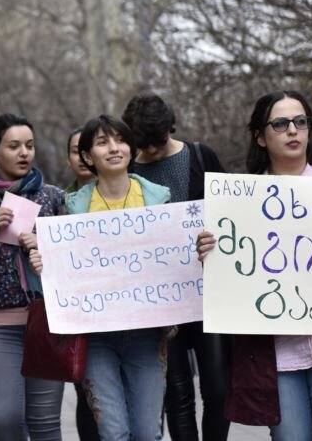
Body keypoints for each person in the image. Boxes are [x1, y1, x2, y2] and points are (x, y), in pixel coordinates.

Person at [197, 90, 312, 441]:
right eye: (280, 123)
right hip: (275, 358)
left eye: (300, 122)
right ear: (260, 136)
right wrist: (212, 257)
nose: (293, 130)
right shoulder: (238, 200)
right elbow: (234, 283)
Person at [31, 114, 170, 441]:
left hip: (147, 334)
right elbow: (64, 271)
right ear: (87, 156)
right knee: (113, 431)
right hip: (97, 338)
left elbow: (175, 261)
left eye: (120, 140)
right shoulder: (73, 207)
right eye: (102, 142)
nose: (114, 148)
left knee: (148, 433)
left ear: (131, 148)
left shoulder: (159, 198)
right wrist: (44, 263)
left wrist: (198, 248)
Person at [122, 93, 230, 441]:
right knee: (177, 395)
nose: (151, 152)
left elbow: (231, 215)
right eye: (143, 145)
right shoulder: (130, 172)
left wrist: (215, 238)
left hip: (208, 297)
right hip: (161, 304)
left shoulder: (200, 156)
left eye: (157, 142)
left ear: (171, 127)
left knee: (218, 389)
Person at [0, 113, 65, 441]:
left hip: (44, 324)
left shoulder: (53, 198)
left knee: (44, 425)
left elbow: (76, 260)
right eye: (13, 146)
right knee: (2, 420)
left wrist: (46, 244)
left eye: (29, 145)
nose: (24, 153)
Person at [61, 127, 99, 441]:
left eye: (89, 149)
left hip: (131, 323)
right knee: (88, 397)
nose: (84, 157)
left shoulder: (136, 197)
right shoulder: (60, 204)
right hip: (83, 321)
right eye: (76, 150)